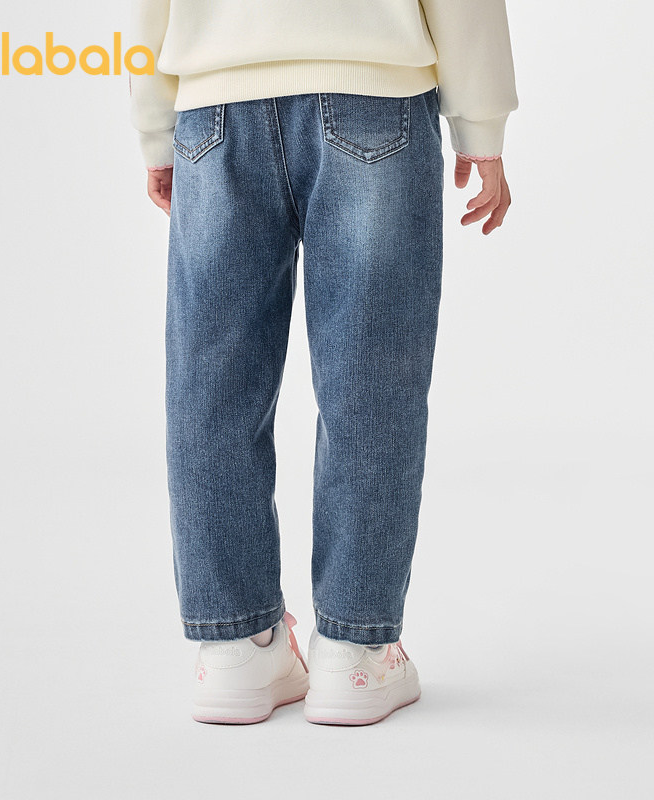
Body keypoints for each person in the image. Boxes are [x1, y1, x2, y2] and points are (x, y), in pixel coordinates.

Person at [129, 0, 518, 725]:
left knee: (211, 385)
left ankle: (236, 650)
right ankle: (355, 653)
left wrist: (156, 129)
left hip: (214, 107)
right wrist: (482, 125)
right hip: (374, 94)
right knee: (373, 381)